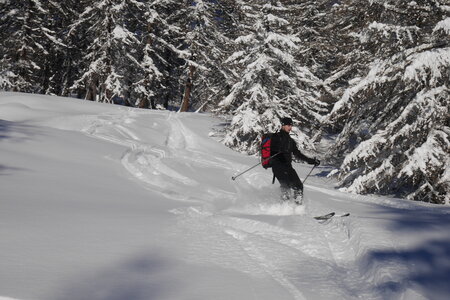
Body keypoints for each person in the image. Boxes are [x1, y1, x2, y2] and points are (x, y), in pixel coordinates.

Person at [270, 117, 320, 204]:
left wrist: (311, 161)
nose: (290, 127)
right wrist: (280, 153)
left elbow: (297, 154)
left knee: (299, 186)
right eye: (288, 125)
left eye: (291, 125)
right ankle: (283, 208)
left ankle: (297, 208)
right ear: (283, 125)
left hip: (288, 167)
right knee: (286, 187)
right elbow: (272, 151)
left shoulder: (290, 141)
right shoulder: (276, 137)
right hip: (278, 166)